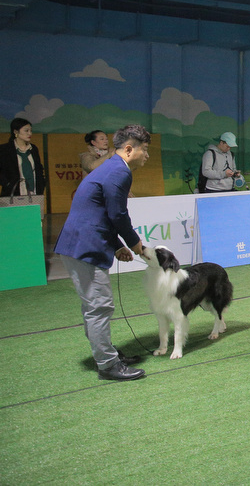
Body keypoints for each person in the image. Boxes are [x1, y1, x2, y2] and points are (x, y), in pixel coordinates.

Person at [53, 124, 150, 381]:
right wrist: (135, 243)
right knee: (99, 306)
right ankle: (108, 365)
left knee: (94, 306)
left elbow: (100, 214)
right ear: (129, 149)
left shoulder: (110, 168)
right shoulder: (119, 172)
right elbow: (117, 215)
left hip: (81, 243)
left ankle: (106, 353)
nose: (147, 155)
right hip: (84, 246)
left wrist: (117, 245)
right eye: (144, 149)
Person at [0, 117, 46, 201]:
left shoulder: (33, 149)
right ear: (16, 132)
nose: (30, 133)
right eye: (26, 131)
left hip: (34, 193)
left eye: (31, 130)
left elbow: (39, 169)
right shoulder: (4, 149)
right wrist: (7, 184)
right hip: (13, 194)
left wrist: (42, 184)